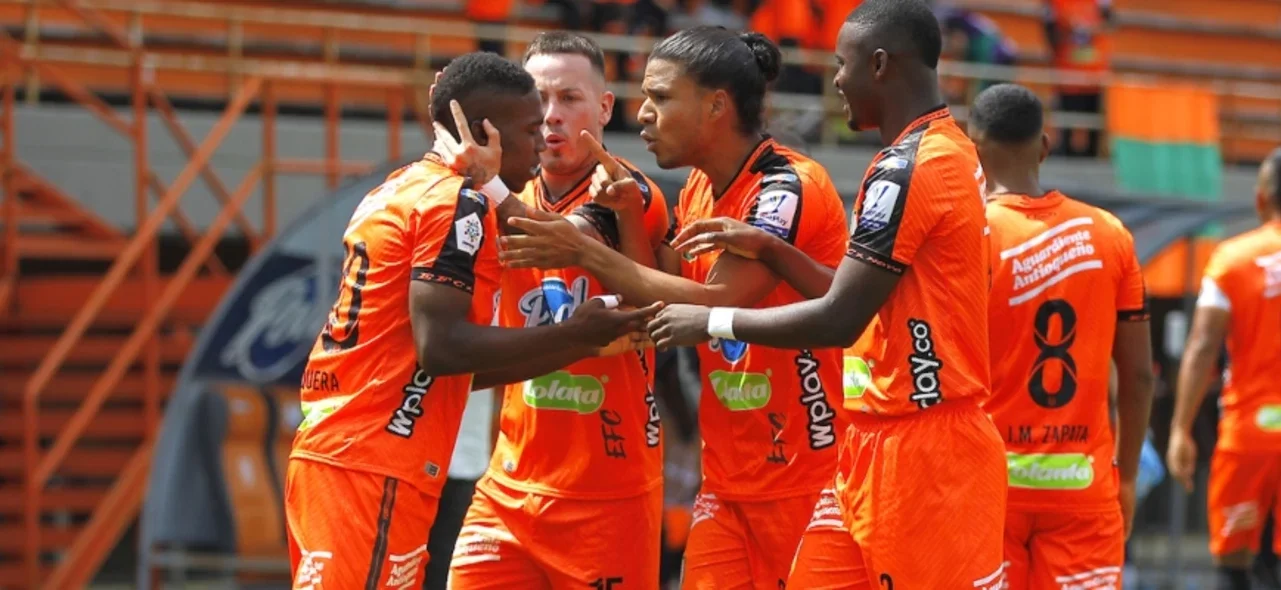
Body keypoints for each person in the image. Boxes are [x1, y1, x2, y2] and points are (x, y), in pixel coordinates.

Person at [642, 2, 1005, 586]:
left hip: (925, 445)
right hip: (868, 441)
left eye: (843, 63)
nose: (835, 79)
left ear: (880, 65)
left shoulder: (910, 168)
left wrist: (713, 323)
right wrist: (775, 249)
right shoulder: (940, 151)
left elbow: (840, 319)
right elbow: (863, 297)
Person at [282, 51, 657, 589]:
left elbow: (449, 366)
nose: (541, 138)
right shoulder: (457, 202)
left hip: (349, 450)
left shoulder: (398, 186)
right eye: (529, 127)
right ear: (485, 131)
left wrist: (578, 343)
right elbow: (442, 349)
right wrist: (576, 333)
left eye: (566, 101)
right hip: (375, 461)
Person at [497, 25, 851, 589]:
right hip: (726, 486)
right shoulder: (698, 191)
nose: (643, 113)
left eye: (661, 97)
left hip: (811, 481)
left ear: (715, 106)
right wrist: (631, 221)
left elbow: (715, 304)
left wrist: (581, 250)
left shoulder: (787, 186)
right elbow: (657, 296)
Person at [444, 32, 674, 589]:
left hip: (608, 498)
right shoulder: (500, 193)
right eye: (539, 99)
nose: (551, 116)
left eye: (570, 98)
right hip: (508, 488)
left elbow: (558, 236)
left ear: (604, 107)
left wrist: (485, 180)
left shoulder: (628, 191)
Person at [971, 83, 1155, 589]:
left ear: (973, 147)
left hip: (986, 489)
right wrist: (1130, 477)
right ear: (1045, 146)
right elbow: (1139, 376)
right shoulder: (1110, 234)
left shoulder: (968, 235)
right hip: (1083, 489)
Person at [1168, 147, 1281, 590]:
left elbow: (1201, 346)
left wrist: (1180, 428)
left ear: (1259, 199)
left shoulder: (1231, 260)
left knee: (1231, 565)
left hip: (1248, 434)